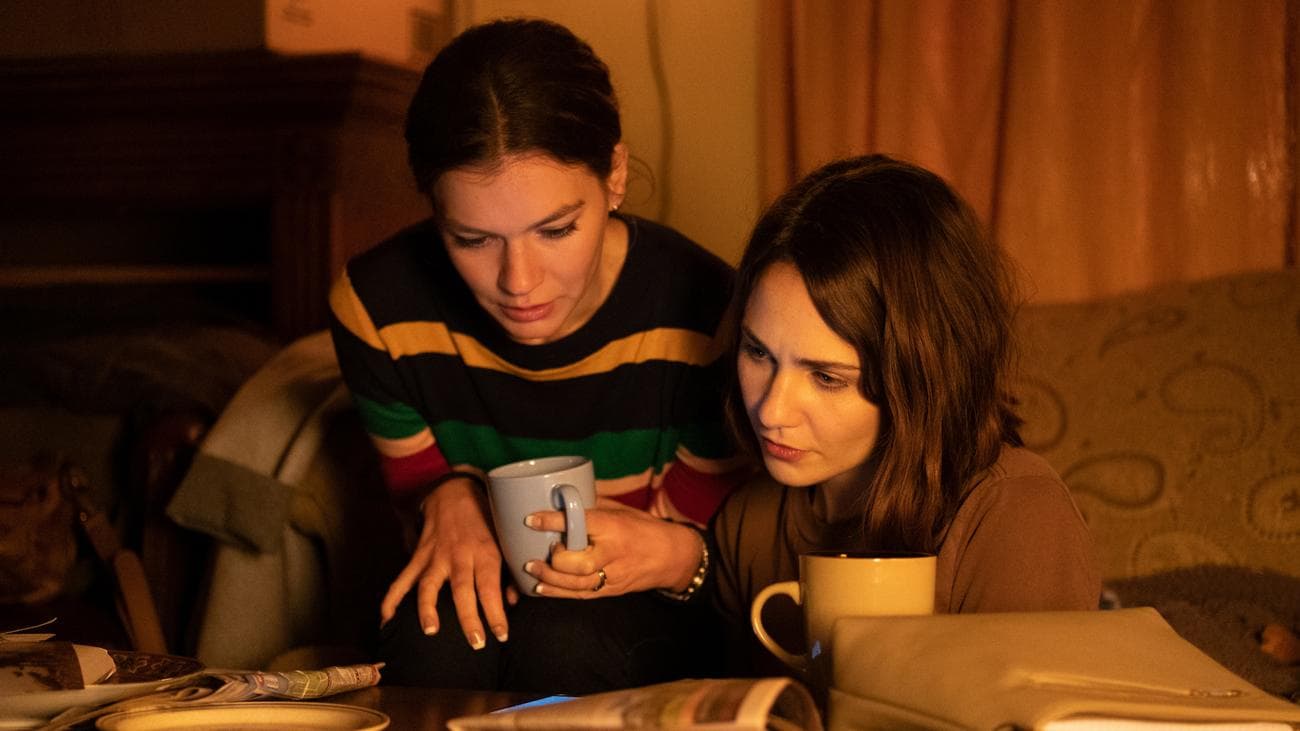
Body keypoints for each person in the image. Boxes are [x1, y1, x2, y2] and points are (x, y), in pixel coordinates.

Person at [328, 18, 747, 693]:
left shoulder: (712, 315)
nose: (518, 282)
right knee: (434, 641)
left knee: (566, 642)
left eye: (556, 230)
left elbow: (713, 550)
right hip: (488, 584)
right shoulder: (375, 309)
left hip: (657, 593)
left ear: (615, 175)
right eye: (471, 239)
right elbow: (415, 489)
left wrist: (675, 554)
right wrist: (445, 494)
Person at [705, 154, 1101, 673]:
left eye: (826, 378)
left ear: (920, 376)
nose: (772, 410)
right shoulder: (749, 521)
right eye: (758, 352)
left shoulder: (1014, 517)